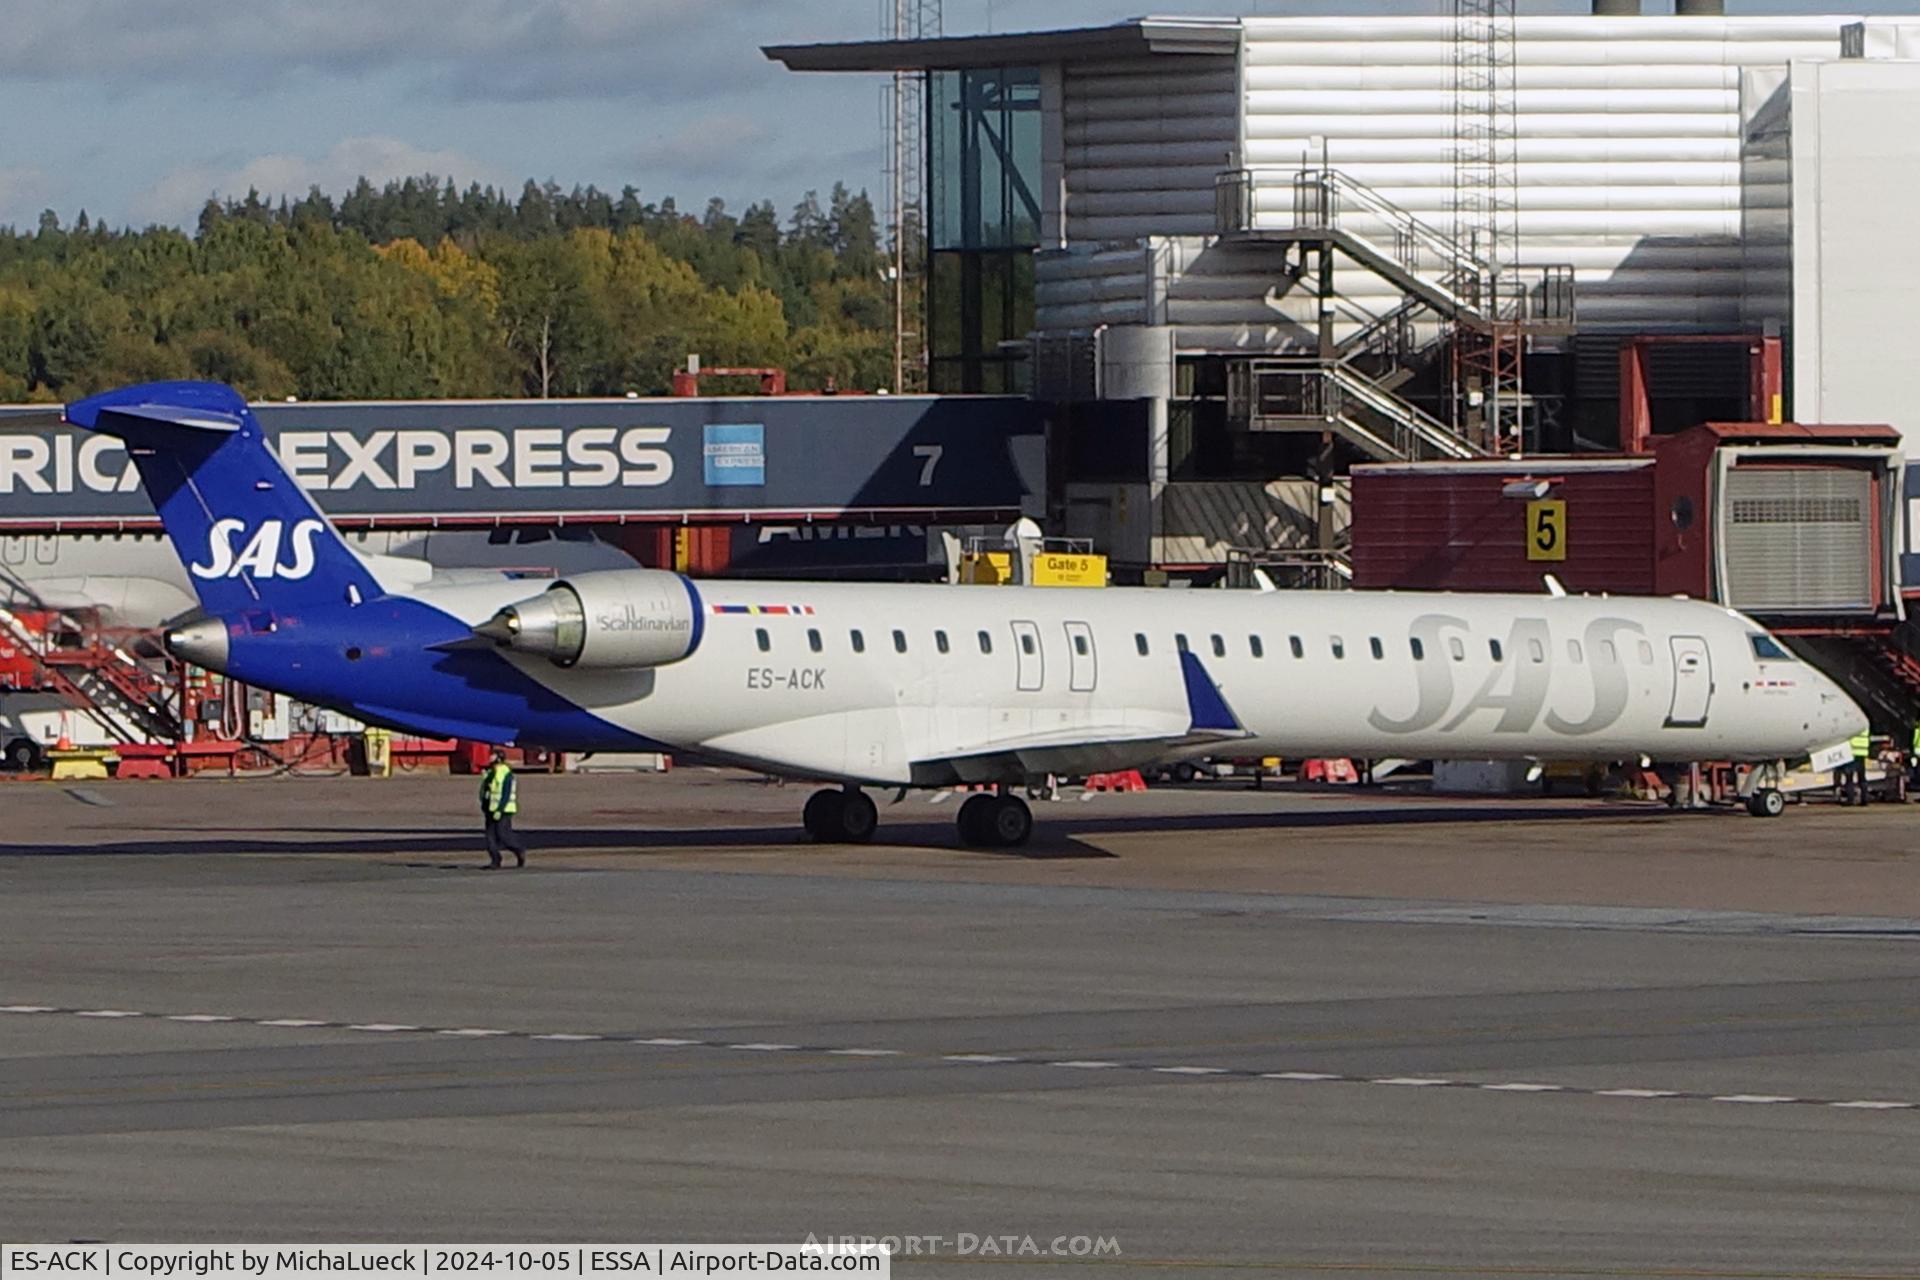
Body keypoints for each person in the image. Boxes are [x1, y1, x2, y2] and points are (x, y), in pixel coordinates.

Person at [479, 747, 528, 868]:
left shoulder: (506, 773)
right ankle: (495, 860)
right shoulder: (491, 772)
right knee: (490, 838)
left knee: (503, 835)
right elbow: (486, 790)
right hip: (490, 809)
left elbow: (505, 793)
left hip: (504, 810)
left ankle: (519, 850)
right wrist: (484, 805)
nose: (490, 757)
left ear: (499, 758)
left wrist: (500, 809)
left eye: (493, 755)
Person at [1839, 729, 1873, 806]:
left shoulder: (1852, 724)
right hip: (1862, 753)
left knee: (1849, 778)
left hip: (1852, 752)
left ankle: (1850, 800)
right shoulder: (1865, 725)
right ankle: (1864, 800)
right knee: (1862, 778)